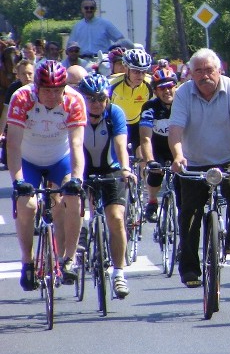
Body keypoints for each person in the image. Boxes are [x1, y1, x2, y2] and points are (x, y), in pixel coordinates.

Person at [168, 48, 230, 288]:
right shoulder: (183, 93)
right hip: (193, 162)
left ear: (219, 70)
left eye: (209, 70)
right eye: (198, 71)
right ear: (191, 74)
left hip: (228, 158)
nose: (204, 75)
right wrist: (178, 156)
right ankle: (190, 269)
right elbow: (175, 130)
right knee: (189, 215)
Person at [6, 60, 86, 290]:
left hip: (60, 158)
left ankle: (69, 259)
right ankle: (27, 261)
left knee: (73, 198)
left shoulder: (74, 100)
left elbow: (77, 143)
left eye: (57, 91)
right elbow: (13, 145)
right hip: (28, 159)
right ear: (37, 88)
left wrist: (77, 179)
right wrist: (18, 181)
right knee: (27, 205)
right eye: (47, 91)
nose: (52, 96)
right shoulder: (22, 98)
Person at [77, 73, 134, 298]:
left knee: (117, 218)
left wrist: (127, 169)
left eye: (101, 98)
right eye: (91, 98)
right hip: (81, 168)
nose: (96, 103)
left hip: (111, 168)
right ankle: (79, 237)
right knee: (74, 206)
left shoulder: (114, 113)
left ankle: (119, 273)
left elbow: (121, 145)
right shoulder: (74, 114)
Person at [139, 67, 178, 222]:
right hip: (158, 147)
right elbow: (145, 138)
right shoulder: (150, 107)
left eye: (170, 86)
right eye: (162, 88)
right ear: (155, 91)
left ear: (176, 86)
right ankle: (152, 201)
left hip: (179, 146)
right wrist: (150, 161)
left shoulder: (183, 103)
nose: (167, 91)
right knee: (156, 172)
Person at [109, 48, 153, 155]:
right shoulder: (112, 84)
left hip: (138, 123)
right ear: (126, 68)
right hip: (117, 124)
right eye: (135, 71)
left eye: (143, 72)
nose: (140, 76)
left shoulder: (150, 84)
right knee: (119, 156)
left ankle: (143, 171)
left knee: (143, 156)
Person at [0, 59, 35, 169]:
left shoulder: (41, 88)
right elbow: (6, 111)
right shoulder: (13, 89)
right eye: (24, 74)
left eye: (30, 73)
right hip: (20, 122)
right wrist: (0, 132)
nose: (27, 77)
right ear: (18, 75)